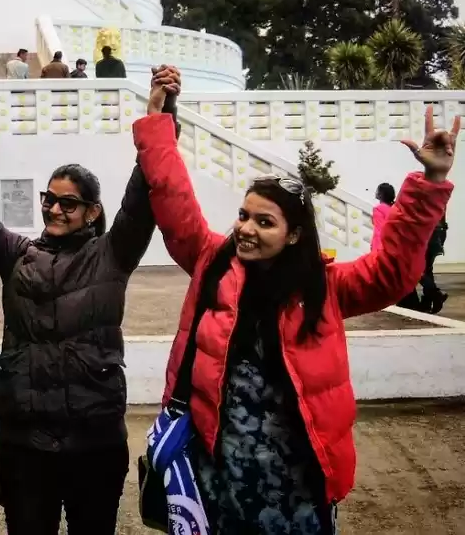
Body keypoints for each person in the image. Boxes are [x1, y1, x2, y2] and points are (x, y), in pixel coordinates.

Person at [133, 82, 457, 534]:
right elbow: (173, 197)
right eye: (244, 215)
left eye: (265, 222)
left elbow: (392, 271)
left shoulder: (326, 287)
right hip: (217, 481)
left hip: (297, 488)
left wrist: (431, 183)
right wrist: (157, 123)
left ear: (294, 235)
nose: (246, 228)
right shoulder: (212, 262)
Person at [0, 68, 179, 535]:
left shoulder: (112, 253)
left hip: (94, 443)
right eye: (49, 199)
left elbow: (145, 195)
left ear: (92, 212)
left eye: (68, 203)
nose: (54, 209)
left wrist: (161, 114)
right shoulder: (17, 254)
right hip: (25, 443)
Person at [370, 182, 395, 252]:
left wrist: (375, 248)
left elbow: (379, 231)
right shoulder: (393, 209)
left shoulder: (378, 209)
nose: (376, 192)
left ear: (381, 194)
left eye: (377, 190)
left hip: (379, 247)